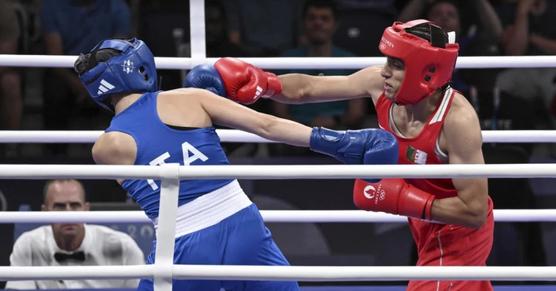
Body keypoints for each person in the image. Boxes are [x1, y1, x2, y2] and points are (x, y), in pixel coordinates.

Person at [186, 19, 494, 290]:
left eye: (397, 65)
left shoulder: (457, 120)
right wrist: (267, 84)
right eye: (388, 60)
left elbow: (475, 211)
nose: (385, 72)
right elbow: (309, 88)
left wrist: (401, 198)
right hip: (425, 226)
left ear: (427, 72)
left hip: (458, 233)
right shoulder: (380, 84)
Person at [73, 38, 398, 291]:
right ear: (138, 67)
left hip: (182, 242)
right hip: (242, 224)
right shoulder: (187, 98)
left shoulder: (105, 147)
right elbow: (267, 126)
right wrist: (339, 143)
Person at [6, 179, 144, 289]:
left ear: (86, 209)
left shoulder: (123, 247)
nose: (68, 213)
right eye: (60, 206)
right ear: (45, 211)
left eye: (75, 205)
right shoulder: (28, 245)